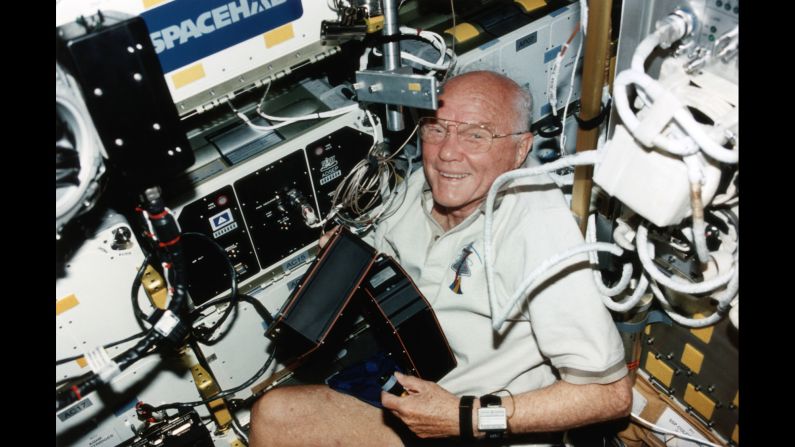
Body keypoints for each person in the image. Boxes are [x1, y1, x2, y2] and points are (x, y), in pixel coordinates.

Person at [248, 71, 632, 446]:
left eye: (476, 135)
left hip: (484, 421)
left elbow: (611, 396)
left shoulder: (538, 227)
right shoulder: (415, 189)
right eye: (436, 128)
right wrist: (349, 262)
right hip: (417, 390)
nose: (448, 152)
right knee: (275, 414)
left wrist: (469, 418)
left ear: (520, 149)